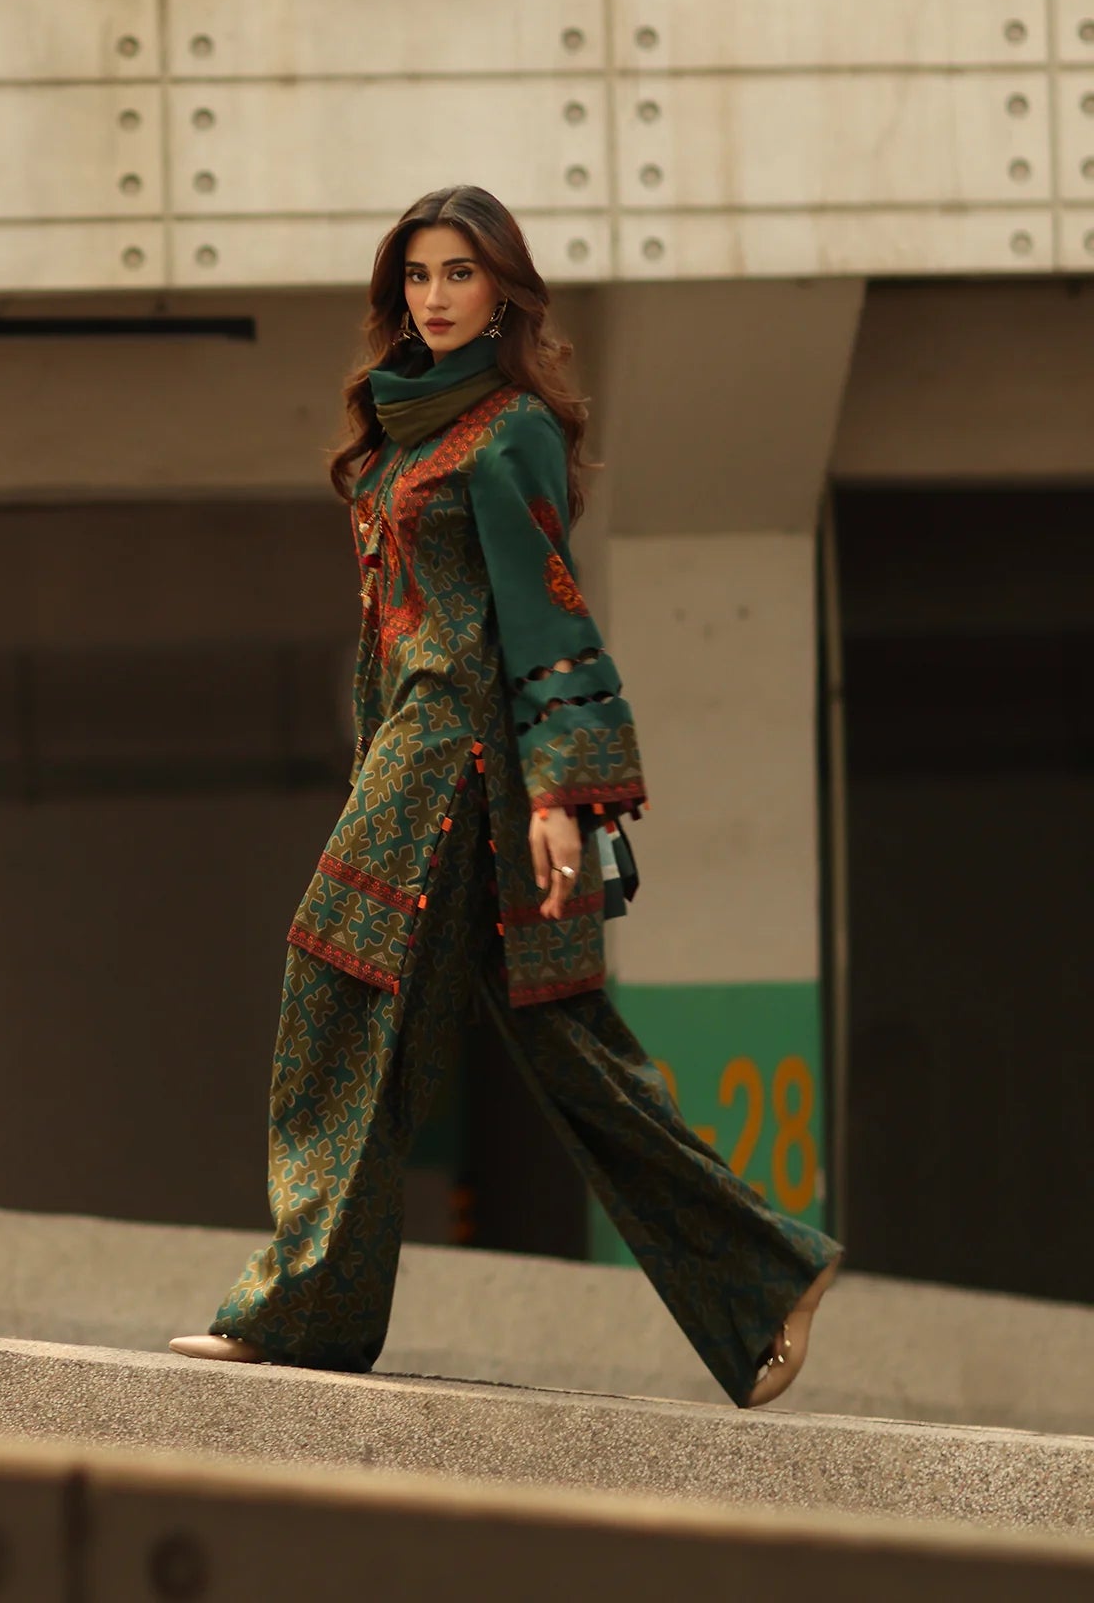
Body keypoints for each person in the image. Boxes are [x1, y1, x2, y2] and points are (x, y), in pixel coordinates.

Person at [170, 184, 841, 1407]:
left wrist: (559, 798)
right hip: (408, 752)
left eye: (458, 275)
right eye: (418, 276)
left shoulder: (509, 430)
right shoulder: (405, 434)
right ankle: (765, 1273)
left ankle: (303, 1308)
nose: (433, 297)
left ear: (505, 294)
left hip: (459, 759)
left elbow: (545, 613)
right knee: (564, 1041)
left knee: (336, 985)